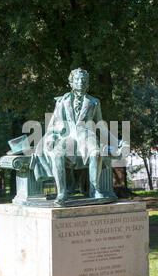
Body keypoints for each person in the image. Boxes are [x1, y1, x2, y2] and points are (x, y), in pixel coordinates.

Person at [30, 68, 107, 205]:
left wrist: (107, 141)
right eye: (77, 79)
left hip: (86, 136)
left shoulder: (94, 102)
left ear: (88, 83)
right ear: (71, 83)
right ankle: (62, 192)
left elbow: (100, 123)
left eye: (84, 80)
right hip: (67, 137)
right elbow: (52, 124)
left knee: (95, 153)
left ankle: (95, 190)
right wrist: (52, 136)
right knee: (57, 154)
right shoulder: (61, 102)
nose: (80, 82)